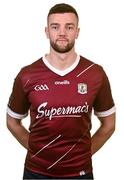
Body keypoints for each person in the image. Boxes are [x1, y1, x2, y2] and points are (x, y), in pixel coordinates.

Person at [6, 3, 116, 179]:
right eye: (55, 27)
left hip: (80, 173)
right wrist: (38, 151)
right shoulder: (27, 75)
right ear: (46, 31)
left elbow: (109, 124)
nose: (62, 32)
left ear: (77, 32)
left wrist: (82, 155)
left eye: (69, 27)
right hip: (36, 173)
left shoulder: (95, 74)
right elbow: (12, 122)